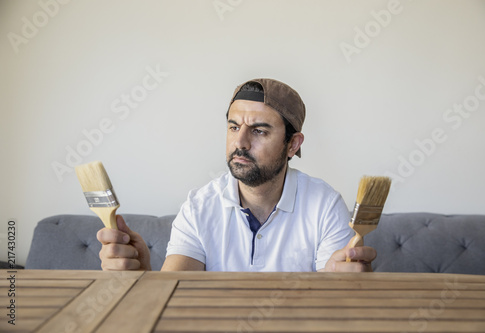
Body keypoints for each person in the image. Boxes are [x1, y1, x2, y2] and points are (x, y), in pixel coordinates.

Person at [97, 78, 377, 272]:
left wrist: (343, 284)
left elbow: (335, 296)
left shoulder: (325, 206)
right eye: (233, 127)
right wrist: (144, 275)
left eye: (259, 130)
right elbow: (176, 290)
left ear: (293, 144)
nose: (240, 142)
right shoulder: (198, 207)